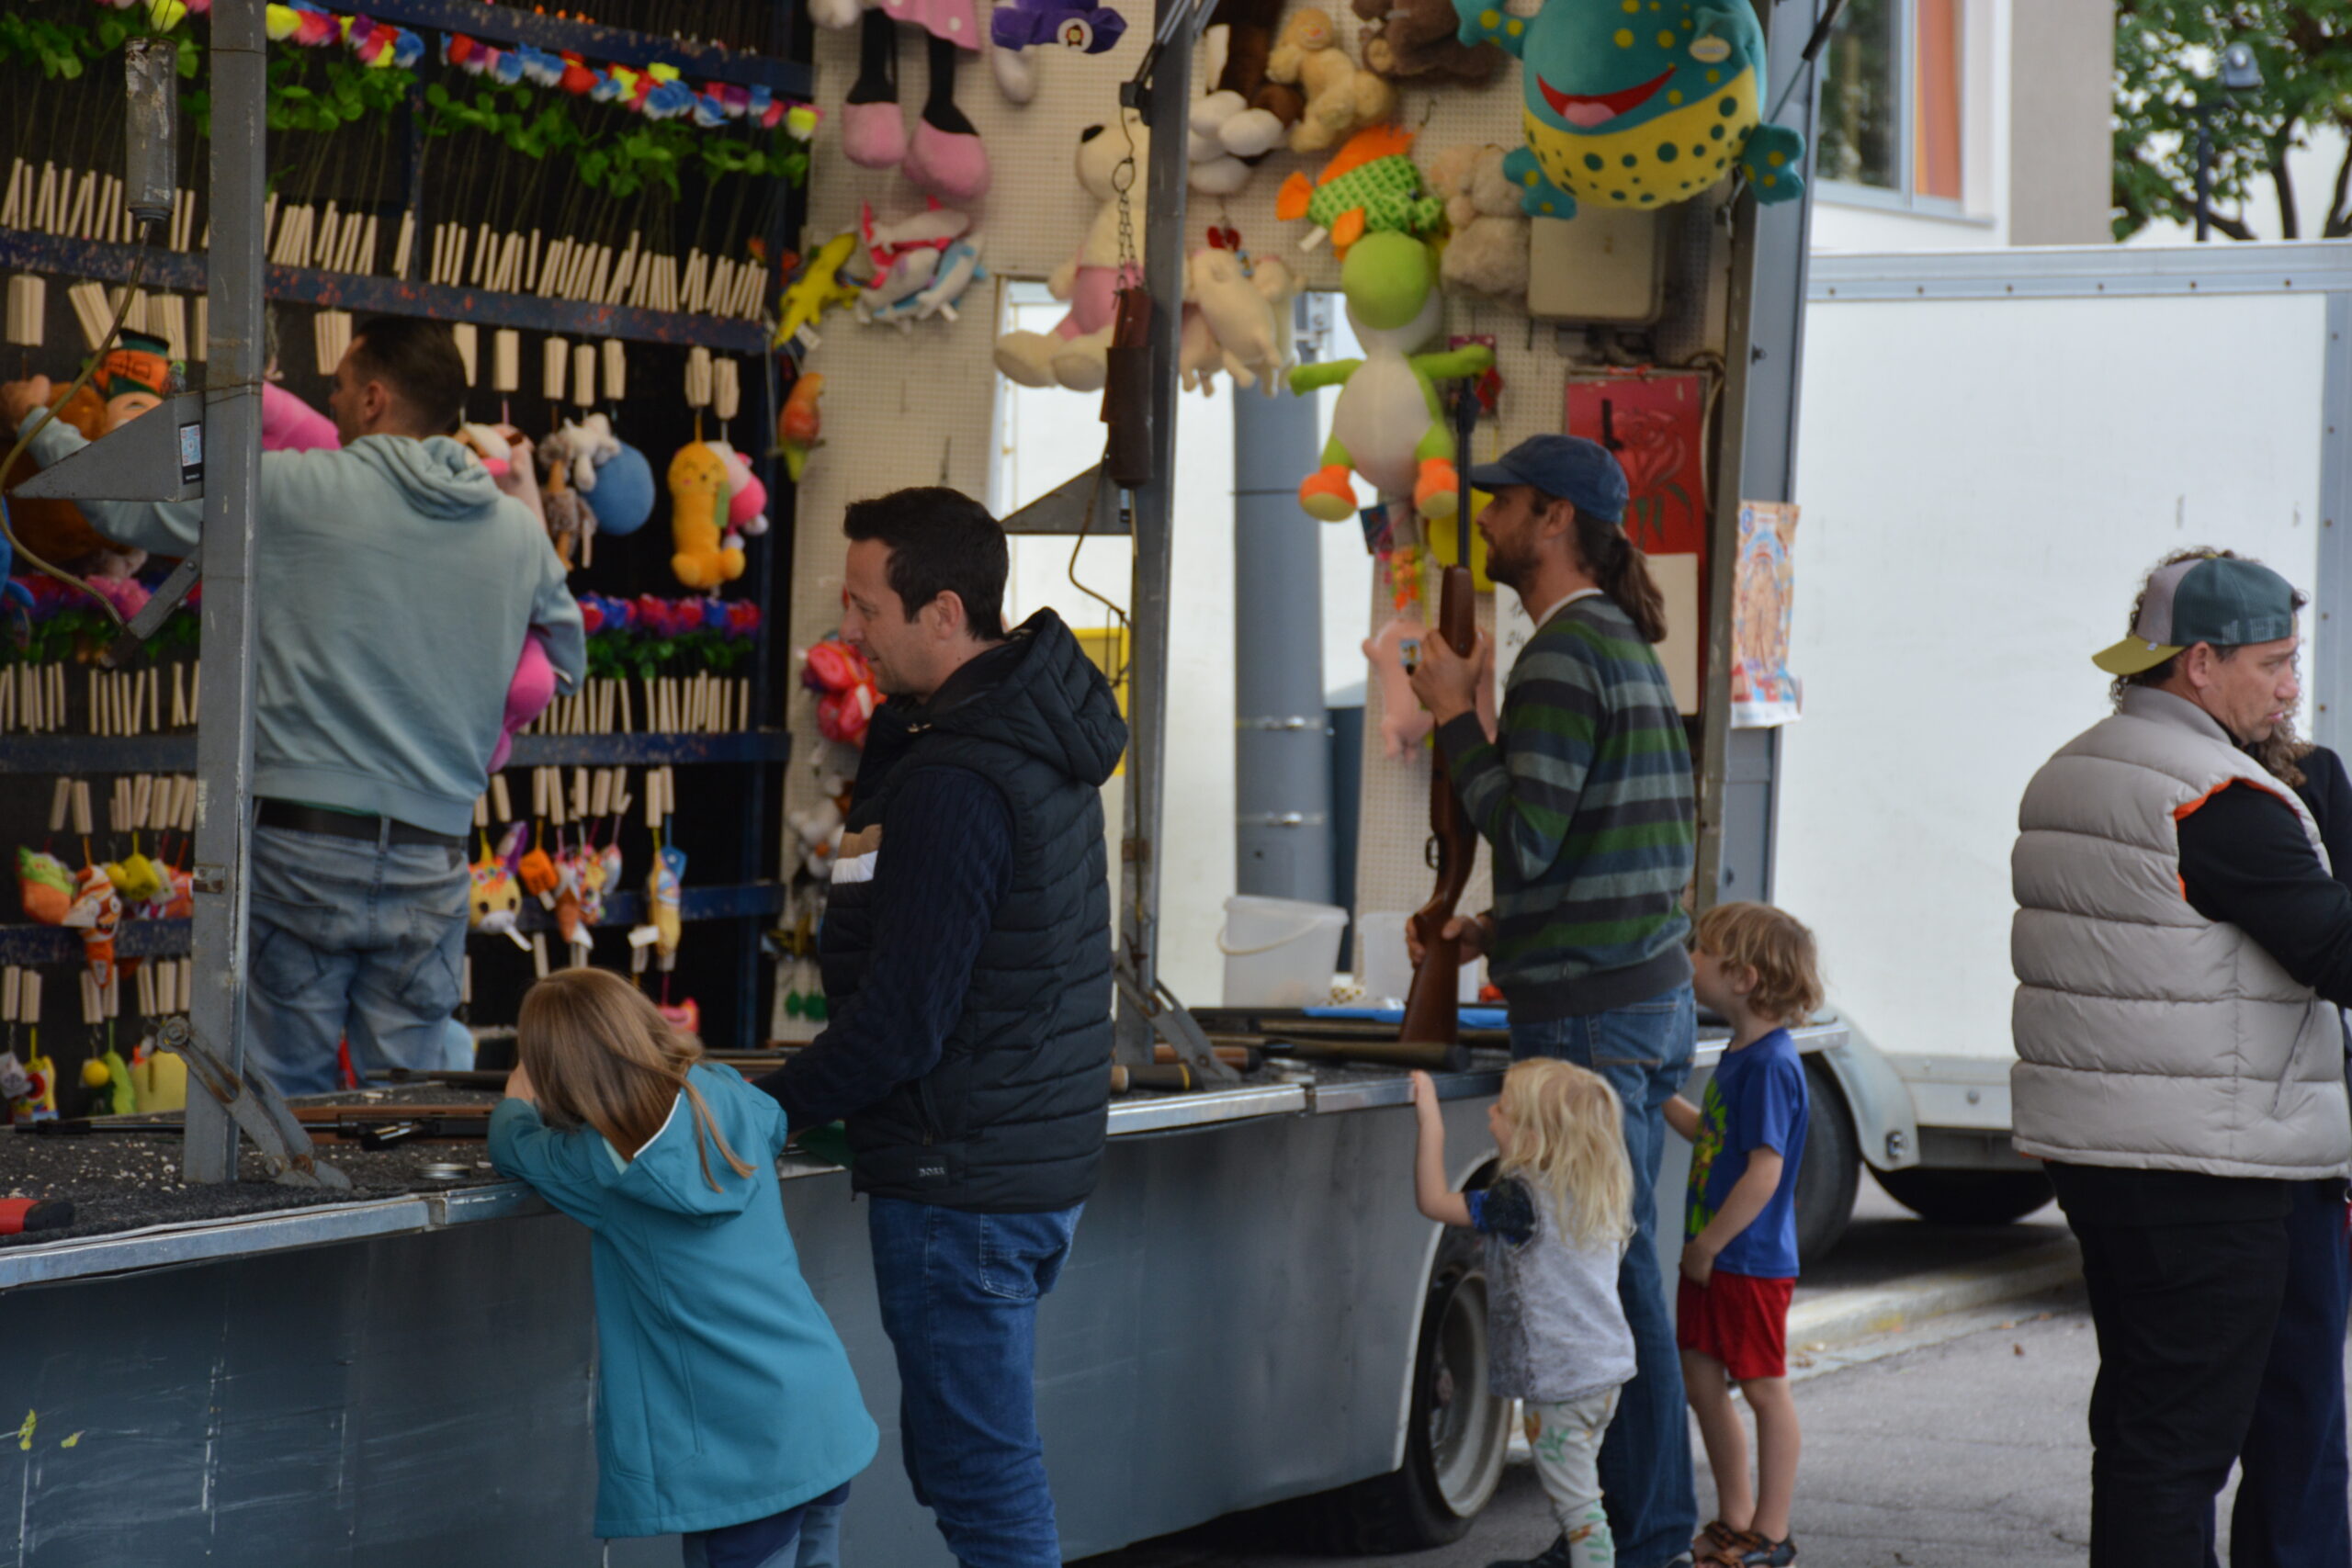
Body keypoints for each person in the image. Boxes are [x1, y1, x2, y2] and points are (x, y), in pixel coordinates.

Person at [0, 318, 584, 1095]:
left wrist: (32, 418)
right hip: (435, 854)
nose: (329, 400)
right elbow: (565, 661)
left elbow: (115, 498)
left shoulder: (287, 486)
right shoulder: (516, 532)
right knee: (415, 1103)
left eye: (338, 386)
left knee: (287, 1111)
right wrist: (473, 712)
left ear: (374, 398)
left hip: (303, 848)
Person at [753, 487, 1126, 1568]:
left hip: (958, 1180)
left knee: (980, 1478)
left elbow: (903, 1022)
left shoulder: (959, 777)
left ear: (945, 612)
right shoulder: (1018, 734)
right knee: (976, 1465)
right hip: (1018, 1164)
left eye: (866, 607)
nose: (848, 630)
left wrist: (754, 1108)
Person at [2011, 549, 2352, 1568]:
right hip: (2207, 1171)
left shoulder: (2076, 765)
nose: (2290, 688)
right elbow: (2334, 949)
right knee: (2176, 1447)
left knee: (2142, 1433)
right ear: (2200, 663)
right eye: (2274, 663)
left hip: (2108, 1158)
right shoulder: (2213, 797)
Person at [1407, 434, 1699, 1568]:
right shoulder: (1614, 640)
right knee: (1617, 1273)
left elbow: (1527, 830)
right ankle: (1626, 1534)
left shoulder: (1561, 655)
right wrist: (1492, 927)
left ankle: (1642, 1541)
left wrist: (1454, 713)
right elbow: (1591, 841)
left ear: (1557, 519)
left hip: (1588, 1017)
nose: (1484, 519)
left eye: (1504, 503)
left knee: (1606, 1282)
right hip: (1640, 997)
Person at [489, 969, 876, 1568]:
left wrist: (517, 1099)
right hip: (818, 1418)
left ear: (556, 1072)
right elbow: (772, 1121)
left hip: (738, 1458)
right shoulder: (729, 1095)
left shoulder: (601, 1169)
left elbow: (513, 1147)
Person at [2211, 716, 2352, 1568]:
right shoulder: (2181, 788)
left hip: (2297, 1134)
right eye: (2273, 663)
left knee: (2299, 1405)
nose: (2290, 686)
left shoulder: (2313, 777)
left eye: (2291, 663)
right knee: (2183, 1427)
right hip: (2213, 1144)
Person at [1408, 1059, 1638, 1568]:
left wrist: (1430, 1118)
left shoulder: (1518, 1201)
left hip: (1559, 1383)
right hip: (1604, 1374)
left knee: (1580, 1514)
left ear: (1533, 1134)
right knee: (1582, 1498)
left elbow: (1433, 1201)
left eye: (1502, 1109)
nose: (1490, 1113)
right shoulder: (1597, 1191)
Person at [1665, 902, 1820, 1568]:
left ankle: (1772, 1532)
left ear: (1744, 977)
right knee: (1702, 1381)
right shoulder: (1740, 1055)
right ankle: (1734, 1519)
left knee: (1763, 1388)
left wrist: (1708, 1245)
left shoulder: (1771, 1065)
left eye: (1702, 950)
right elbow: (1713, 1136)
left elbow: (1765, 1171)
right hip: (1717, 1258)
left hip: (1746, 1260)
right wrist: (1657, 1095)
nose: (1691, 960)